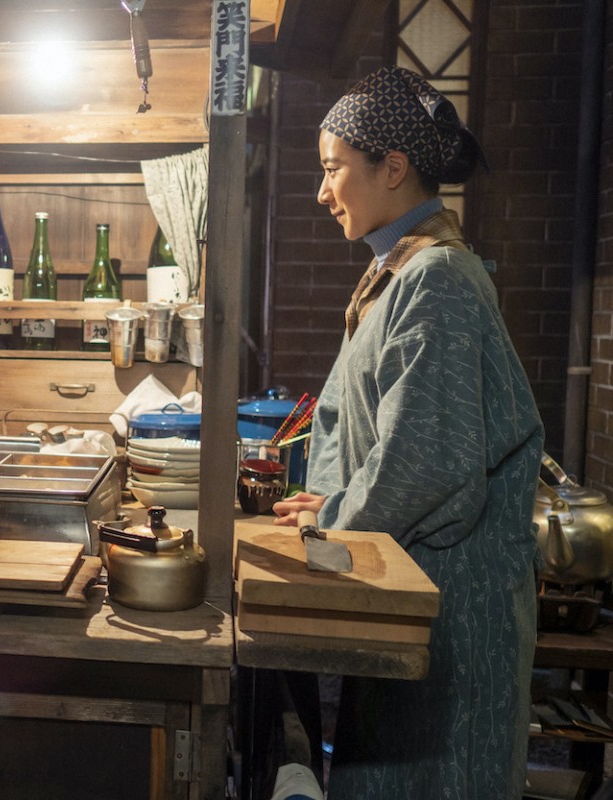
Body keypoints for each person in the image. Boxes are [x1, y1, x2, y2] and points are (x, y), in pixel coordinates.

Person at [272, 66, 543, 798]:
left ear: (392, 169)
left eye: (333, 170)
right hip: (410, 591)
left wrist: (334, 519)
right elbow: (344, 418)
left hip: (453, 610)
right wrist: (327, 500)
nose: (321, 193)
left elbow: (428, 458)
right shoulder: (396, 274)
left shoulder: (440, 280)